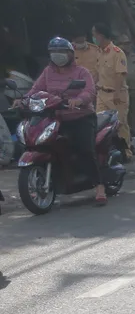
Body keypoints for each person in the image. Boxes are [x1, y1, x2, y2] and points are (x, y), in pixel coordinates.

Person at [31, 37, 105, 204]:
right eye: (54, 52)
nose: (58, 56)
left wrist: (78, 100)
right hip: (55, 118)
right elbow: (36, 89)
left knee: (85, 149)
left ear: (70, 54)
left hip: (80, 117)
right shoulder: (47, 72)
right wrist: (23, 99)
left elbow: (89, 91)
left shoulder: (81, 72)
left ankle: (99, 186)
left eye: (61, 52)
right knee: (42, 143)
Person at [90, 23, 131, 156]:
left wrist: (117, 93)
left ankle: (125, 151)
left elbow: (120, 74)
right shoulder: (99, 53)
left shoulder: (117, 53)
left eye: (94, 35)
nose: (93, 38)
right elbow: (97, 73)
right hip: (102, 94)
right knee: (100, 125)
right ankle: (105, 152)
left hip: (116, 95)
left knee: (120, 125)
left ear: (101, 36)